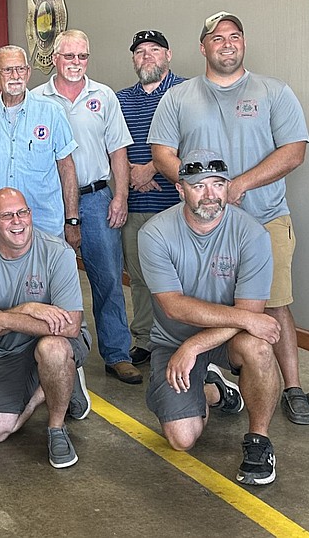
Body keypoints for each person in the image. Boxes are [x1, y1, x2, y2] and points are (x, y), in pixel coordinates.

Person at [149, 11, 309, 425]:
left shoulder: (274, 92)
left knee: (274, 305)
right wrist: (200, 188)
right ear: (203, 47)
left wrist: (238, 185)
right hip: (199, 222)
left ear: (243, 43)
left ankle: (292, 387)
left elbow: (294, 150)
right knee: (204, 304)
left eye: (235, 36)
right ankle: (219, 375)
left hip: (265, 218)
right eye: (217, 38)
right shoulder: (178, 97)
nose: (227, 43)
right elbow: (162, 154)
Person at [138, 149, 281, 486]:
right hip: (173, 340)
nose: (210, 194)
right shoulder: (155, 233)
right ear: (180, 189)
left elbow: (252, 316)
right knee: (182, 439)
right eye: (198, 185)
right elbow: (173, 305)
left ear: (227, 186)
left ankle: (259, 441)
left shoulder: (252, 234)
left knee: (258, 347)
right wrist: (188, 345)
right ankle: (214, 390)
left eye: (217, 184)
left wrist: (197, 344)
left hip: (229, 340)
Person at [32, 29, 140, 385]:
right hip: (48, 203)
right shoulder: (36, 100)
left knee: (108, 278)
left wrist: (120, 196)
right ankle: (51, 351)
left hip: (96, 199)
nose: (76, 63)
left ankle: (117, 353)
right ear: (54, 59)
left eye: (82, 57)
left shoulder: (104, 96)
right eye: (69, 56)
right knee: (46, 281)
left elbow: (118, 151)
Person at [0, 188, 91, 468]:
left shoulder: (58, 252)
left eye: (22, 213)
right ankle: (52, 386)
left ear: (31, 215)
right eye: (7, 216)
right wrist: (28, 308)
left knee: (52, 348)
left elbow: (70, 326)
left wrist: (4, 319)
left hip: (62, 341)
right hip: (11, 352)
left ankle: (56, 429)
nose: (17, 221)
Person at [0, 45, 79, 246]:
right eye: (7, 70)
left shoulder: (52, 112)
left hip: (44, 224)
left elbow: (66, 168)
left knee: (47, 277)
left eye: (21, 69)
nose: (15, 75)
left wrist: (72, 220)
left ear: (28, 72)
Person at [116, 30, 187, 366]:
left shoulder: (186, 92)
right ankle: (144, 339)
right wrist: (131, 172)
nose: (147, 56)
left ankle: (179, 339)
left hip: (174, 204)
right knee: (140, 276)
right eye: (140, 51)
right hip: (133, 203)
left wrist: (153, 169)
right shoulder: (120, 99)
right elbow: (109, 144)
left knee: (177, 276)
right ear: (133, 59)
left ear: (168, 55)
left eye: (154, 49)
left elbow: (194, 142)